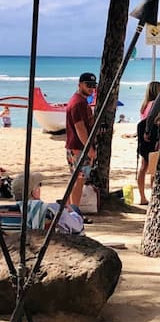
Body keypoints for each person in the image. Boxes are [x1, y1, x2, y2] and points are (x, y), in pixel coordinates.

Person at [65, 72, 96, 218]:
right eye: (88, 85)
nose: (91, 88)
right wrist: (89, 149)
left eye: (93, 85)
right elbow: (80, 128)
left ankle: (69, 210)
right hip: (79, 148)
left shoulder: (80, 101)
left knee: (75, 180)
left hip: (75, 146)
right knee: (79, 180)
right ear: (80, 84)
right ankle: (75, 213)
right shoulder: (78, 103)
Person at [136, 80, 160, 205]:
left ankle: (142, 196)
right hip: (151, 136)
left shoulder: (144, 105)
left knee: (144, 167)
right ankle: (153, 195)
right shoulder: (155, 104)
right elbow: (155, 120)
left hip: (143, 138)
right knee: (154, 167)